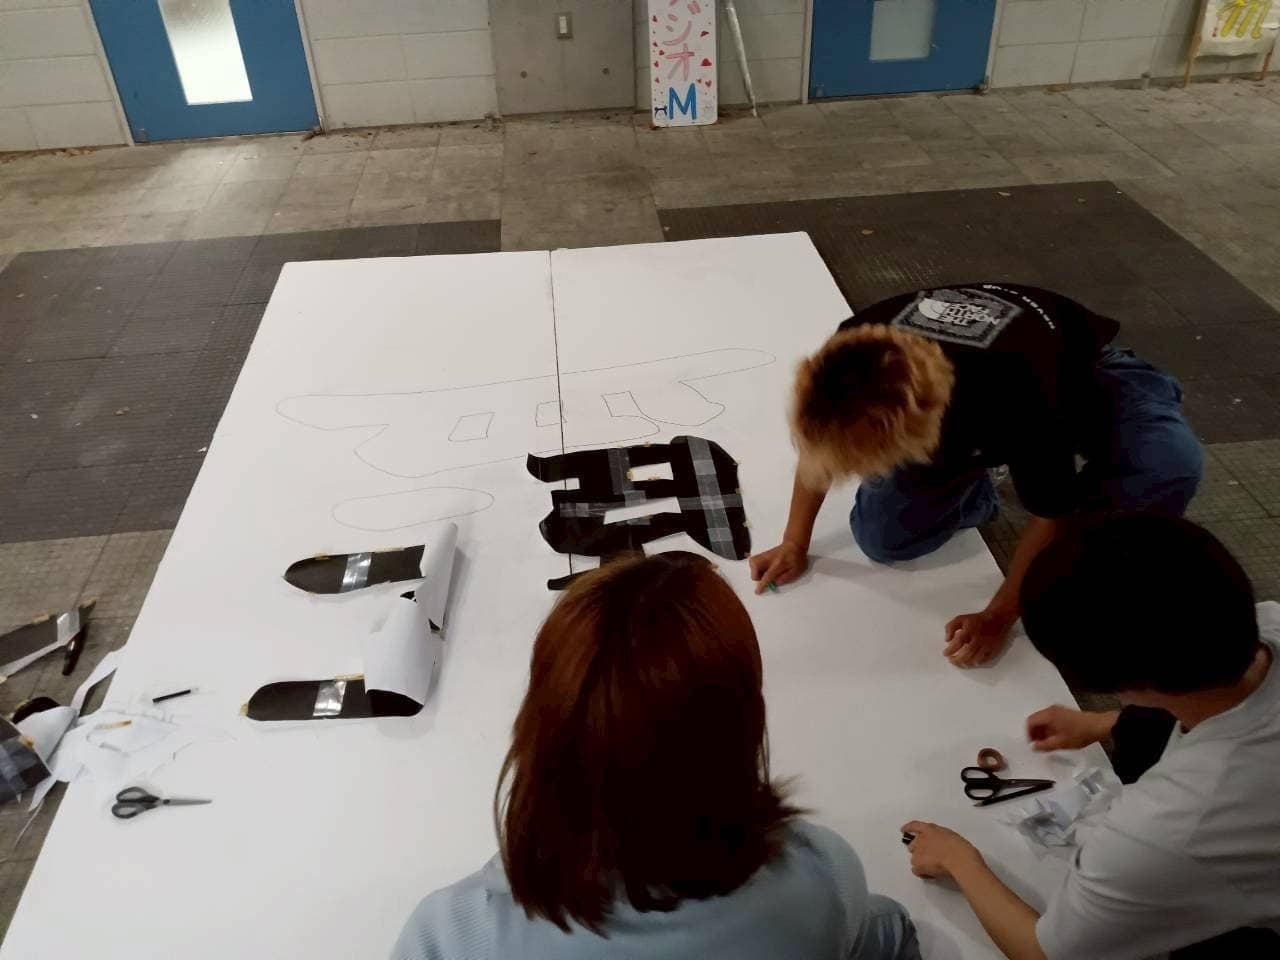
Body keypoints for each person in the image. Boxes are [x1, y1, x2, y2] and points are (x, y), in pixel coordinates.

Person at [391, 552, 921, 960]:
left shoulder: (456, 936)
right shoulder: (819, 880)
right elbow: (883, 936)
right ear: (740, 734)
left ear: (540, 734)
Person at [749, 284, 1202, 667]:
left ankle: (1096, 543)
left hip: (1087, 371)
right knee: (884, 539)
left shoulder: (1022, 396)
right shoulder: (850, 356)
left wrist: (1000, 614)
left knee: (1167, 464)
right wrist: (794, 542)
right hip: (967, 402)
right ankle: (979, 485)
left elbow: (1050, 513)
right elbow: (819, 447)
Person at [902, 515, 1280, 960]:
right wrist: (1103, 724)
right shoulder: (1266, 620)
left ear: (1115, 683)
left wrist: (958, 860)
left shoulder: (1173, 828)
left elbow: (1046, 952)